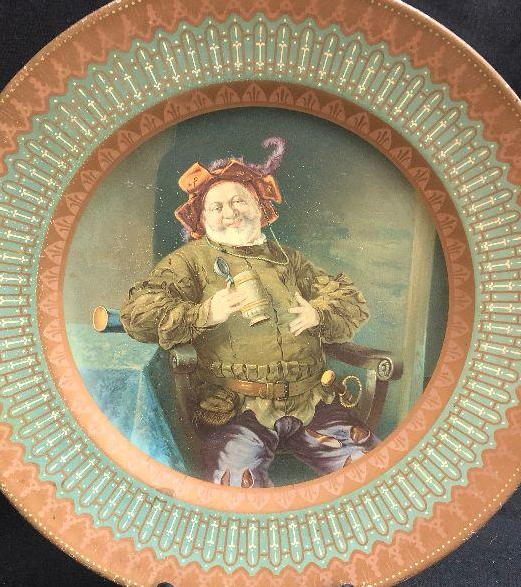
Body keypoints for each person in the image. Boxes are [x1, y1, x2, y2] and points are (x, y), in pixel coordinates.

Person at [120, 137, 378, 487]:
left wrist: (319, 313)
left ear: (259, 207)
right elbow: (138, 313)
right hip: (235, 411)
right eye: (217, 207)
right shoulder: (189, 262)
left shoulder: (289, 259)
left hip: (314, 404)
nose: (230, 213)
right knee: (239, 491)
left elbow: (348, 298)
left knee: (372, 472)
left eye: (239, 201)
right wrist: (205, 313)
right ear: (201, 218)